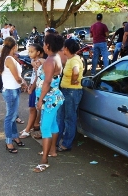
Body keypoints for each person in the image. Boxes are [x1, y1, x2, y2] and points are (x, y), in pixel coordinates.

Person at [34, 33, 64, 173]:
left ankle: (44, 160)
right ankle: (52, 151)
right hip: (55, 97)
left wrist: (40, 101)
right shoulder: (56, 57)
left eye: (45, 43)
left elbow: (47, 82)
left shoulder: (50, 61)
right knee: (53, 125)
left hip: (49, 99)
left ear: (47, 46)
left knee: (45, 127)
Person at [0, 37, 28, 153]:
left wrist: (22, 84)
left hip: (13, 90)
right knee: (10, 117)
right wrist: (25, 84)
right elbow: (17, 78)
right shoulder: (9, 59)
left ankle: (15, 136)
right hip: (10, 91)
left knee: (14, 115)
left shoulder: (9, 58)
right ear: (14, 46)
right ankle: (8, 141)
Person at [56, 37, 84, 152]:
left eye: (63, 48)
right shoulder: (70, 59)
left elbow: (76, 71)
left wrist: (73, 80)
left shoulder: (75, 60)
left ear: (66, 48)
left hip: (71, 92)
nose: (62, 50)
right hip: (66, 91)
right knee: (60, 117)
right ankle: (56, 142)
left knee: (69, 118)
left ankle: (66, 144)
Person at [20, 43, 45, 139]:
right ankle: (29, 127)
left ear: (38, 52)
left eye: (32, 51)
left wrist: (32, 87)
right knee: (32, 108)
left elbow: (38, 76)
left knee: (33, 109)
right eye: (29, 51)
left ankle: (27, 130)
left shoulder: (40, 62)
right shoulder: (33, 61)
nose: (29, 53)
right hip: (34, 86)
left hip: (38, 87)